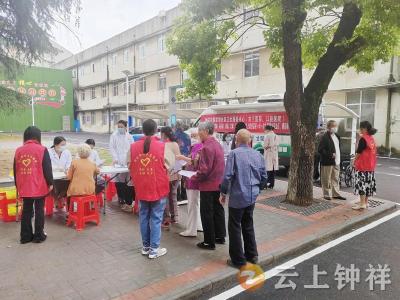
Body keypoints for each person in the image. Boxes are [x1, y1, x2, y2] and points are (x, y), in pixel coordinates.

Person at [128, 119, 175, 259]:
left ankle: (146, 247)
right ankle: (154, 250)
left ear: (142, 130)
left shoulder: (133, 146)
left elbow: (129, 164)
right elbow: (170, 165)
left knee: (143, 217)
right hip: (158, 187)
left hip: (141, 187)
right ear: (156, 130)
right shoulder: (162, 146)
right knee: (155, 218)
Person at [220, 129, 267, 268]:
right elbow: (264, 176)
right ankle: (252, 255)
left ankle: (238, 260)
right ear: (250, 141)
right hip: (252, 195)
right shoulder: (257, 154)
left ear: (236, 140)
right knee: (248, 224)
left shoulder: (234, 154)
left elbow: (227, 176)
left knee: (234, 227)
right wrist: (258, 188)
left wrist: (223, 193)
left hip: (238, 196)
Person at [14, 126, 53, 244]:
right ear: (38, 136)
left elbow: (15, 169)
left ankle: (25, 237)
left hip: (24, 186)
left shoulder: (18, 150)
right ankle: (38, 236)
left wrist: (17, 185)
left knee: (26, 211)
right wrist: (50, 182)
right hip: (39, 186)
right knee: (39, 210)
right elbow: (47, 168)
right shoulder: (42, 149)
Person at [192, 121, 226, 250]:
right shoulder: (217, 144)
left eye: (199, 131)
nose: (198, 133)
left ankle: (208, 242)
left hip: (208, 185)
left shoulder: (206, 147)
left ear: (205, 131)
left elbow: (204, 170)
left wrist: (194, 177)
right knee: (218, 210)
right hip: (218, 183)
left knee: (207, 213)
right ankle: (220, 236)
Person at [176, 128, 203, 237]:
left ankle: (191, 230)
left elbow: (194, 162)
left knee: (192, 204)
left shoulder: (199, 147)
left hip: (193, 179)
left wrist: (183, 158)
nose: (193, 138)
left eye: (195, 135)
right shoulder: (194, 147)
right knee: (195, 204)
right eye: (191, 136)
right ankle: (198, 226)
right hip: (192, 178)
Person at [318, 120, 346, 200]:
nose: (334, 128)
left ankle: (335, 194)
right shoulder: (324, 137)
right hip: (327, 162)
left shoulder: (337, 136)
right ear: (328, 127)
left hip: (337, 161)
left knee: (336, 178)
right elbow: (320, 149)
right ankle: (326, 194)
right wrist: (330, 155)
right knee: (326, 178)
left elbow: (337, 147)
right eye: (333, 126)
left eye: (335, 126)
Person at [352, 121, 377, 210]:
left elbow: (359, 152)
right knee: (368, 184)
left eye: (361, 128)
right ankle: (365, 202)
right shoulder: (371, 138)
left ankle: (362, 204)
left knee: (361, 184)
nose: (360, 130)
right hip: (370, 166)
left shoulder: (363, 139)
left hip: (362, 166)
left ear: (364, 129)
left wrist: (353, 161)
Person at [109, 120, 134, 211]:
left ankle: (128, 201)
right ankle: (121, 198)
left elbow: (132, 148)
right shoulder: (114, 136)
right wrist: (115, 158)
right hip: (118, 161)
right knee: (118, 181)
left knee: (128, 182)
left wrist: (130, 160)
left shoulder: (129, 136)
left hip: (127, 161)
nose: (119, 128)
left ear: (125, 127)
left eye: (121, 127)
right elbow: (112, 147)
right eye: (118, 127)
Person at [160, 126, 181, 228]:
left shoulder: (162, 145)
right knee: (173, 196)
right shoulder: (175, 144)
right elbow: (178, 159)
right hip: (175, 173)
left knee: (165, 197)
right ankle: (175, 217)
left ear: (163, 134)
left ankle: (166, 218)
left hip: (165, 174)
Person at [49, 136, 72, 202]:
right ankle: (57, 198)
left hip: (64, 176)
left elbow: (69, 163)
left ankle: (59, 197)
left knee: (69, 183)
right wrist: (58, 168)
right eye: (62, 145)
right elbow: (48, 165)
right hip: (53, 176)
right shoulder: (49, 152)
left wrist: (67, 169)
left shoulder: (67, 152)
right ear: (55, 144)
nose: (64, 146)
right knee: (55, 186)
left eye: (65, 145)